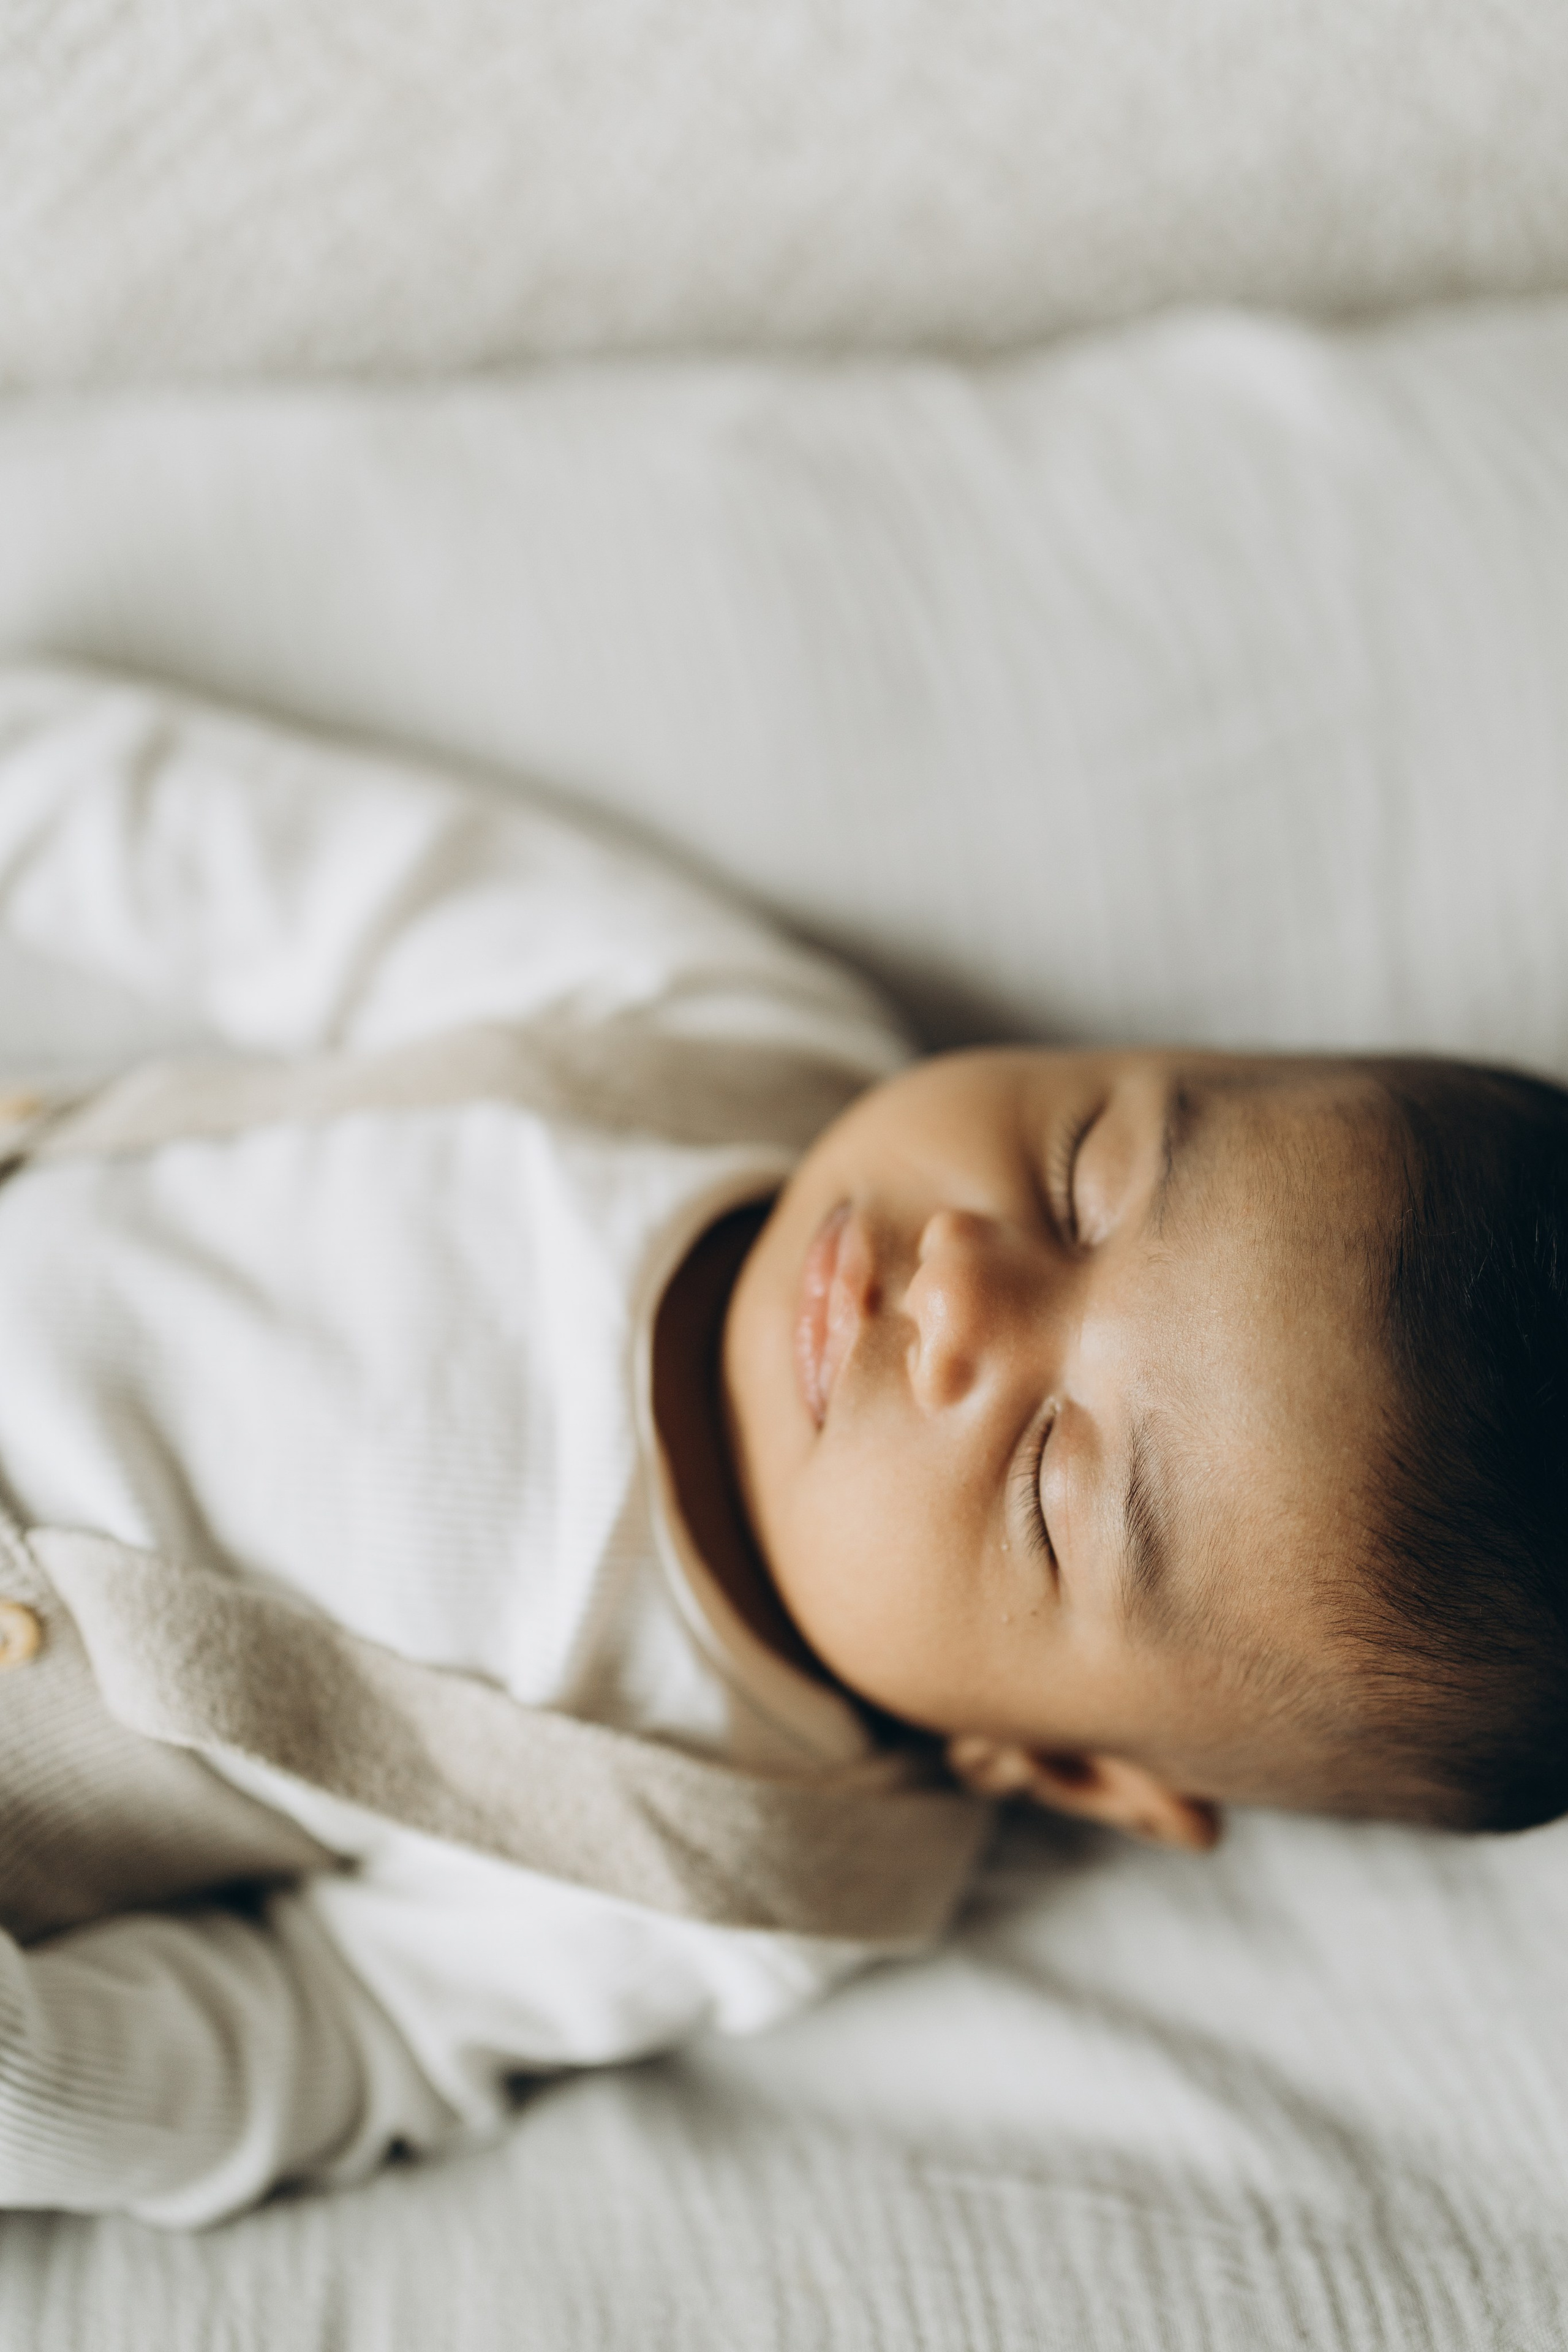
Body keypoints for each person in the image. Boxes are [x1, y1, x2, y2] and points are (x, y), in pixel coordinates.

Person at [0, 666, 1562, 2226]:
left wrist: (39, 2076)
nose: (958, 1288)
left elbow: (336, 2038)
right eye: (1082, 1173)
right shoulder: (722, 1048)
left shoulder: (739, 1865)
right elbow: (272, 870)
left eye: (1049, 1483)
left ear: (1063, 1767)